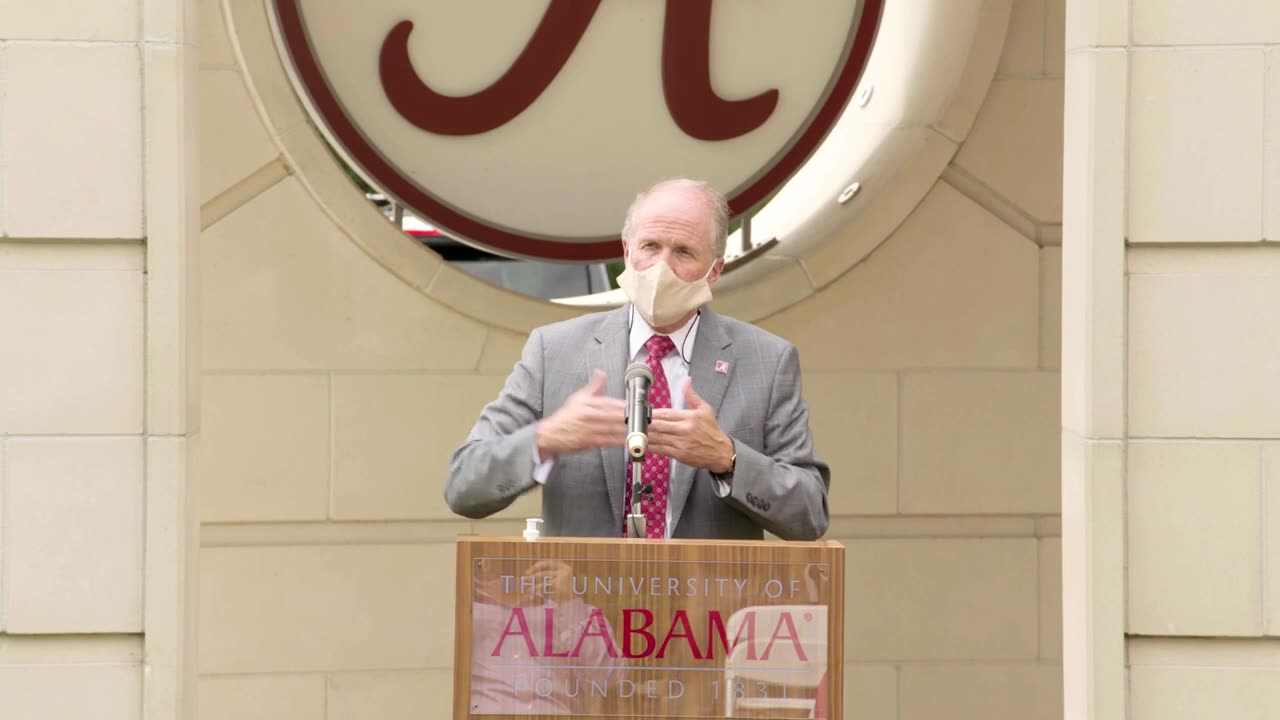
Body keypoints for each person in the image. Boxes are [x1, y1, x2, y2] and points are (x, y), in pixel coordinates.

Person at [445, 178, 829, 540]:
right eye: (650, 247)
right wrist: (547, 438)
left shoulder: (767, 359)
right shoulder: (555, 351)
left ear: (714, 271)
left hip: (708, 607)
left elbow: (810, 514)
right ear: (627, 252)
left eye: (683, 252)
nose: (662, 268)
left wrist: (727, 458)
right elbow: (463, 486)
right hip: (581, 603)